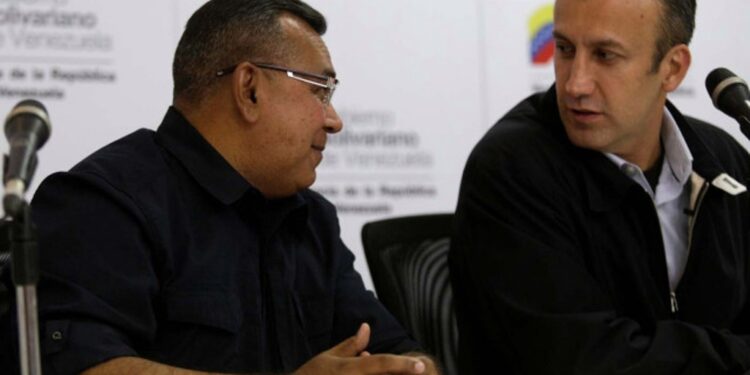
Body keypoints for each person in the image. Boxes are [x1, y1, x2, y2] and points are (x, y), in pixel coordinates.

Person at [0, 0, 441, 374]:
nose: (334, 119)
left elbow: (398, 349)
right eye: (320, 91)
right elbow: (86, 366)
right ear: (248, 89)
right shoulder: (105, 202)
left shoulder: (311, 219)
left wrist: (412, 369)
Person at [450, 0, 750, 373]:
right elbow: (588, 360)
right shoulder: (511, 168)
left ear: (672, 69)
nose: (575, 83)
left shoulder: (723, 164)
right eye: (565, 49)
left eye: (605, 56)